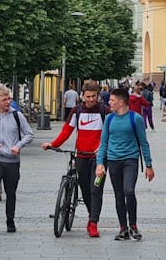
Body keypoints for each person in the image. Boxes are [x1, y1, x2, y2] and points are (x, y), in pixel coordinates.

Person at [42, 80, 109, 238]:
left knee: (96, 189)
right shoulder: (76, 111)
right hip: (81, 156)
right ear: (82, 96)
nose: (91, 100)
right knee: (85, 189)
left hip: (99, 158)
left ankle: (93, 222)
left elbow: (112, 132)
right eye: (88, 96)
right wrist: (52, 144)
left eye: (93, 96)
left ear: (98, 96)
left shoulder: (104, 111)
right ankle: (91, 213)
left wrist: (105, 148)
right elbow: (67, 131)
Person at [96, 87, 154, 242]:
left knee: (129, 190)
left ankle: (133, 226)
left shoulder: (135, 119)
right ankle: (123, 228)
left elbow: (144, 143)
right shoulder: (109, 119)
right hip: (113, 161)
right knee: (119, 195)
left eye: (112, 100)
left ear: (121, 102)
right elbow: (103, 143)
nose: (109, 102)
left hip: (130, 160)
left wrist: (149, 165)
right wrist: (99, 163)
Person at [0, 85, 33, 235]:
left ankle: (10, 221)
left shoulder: (17, 115)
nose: (7, 102)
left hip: (12, 160)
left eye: (8, 98)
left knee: (11, 193)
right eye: (4, 100)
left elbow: (29, 134)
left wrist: (18, 145)